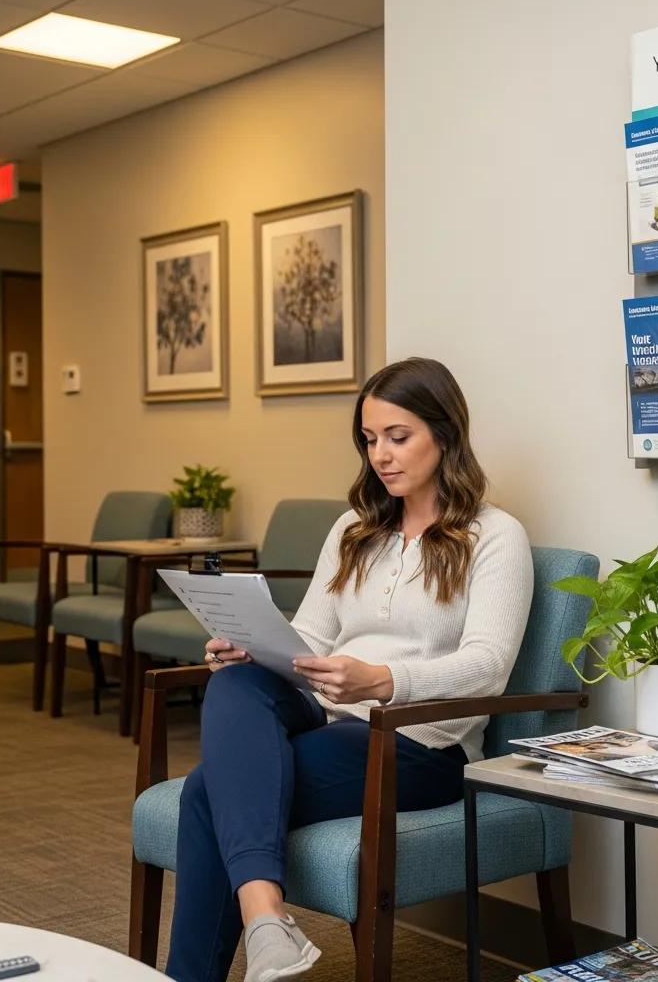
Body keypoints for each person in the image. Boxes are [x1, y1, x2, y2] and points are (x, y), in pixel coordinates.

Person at [165, 357, 534, 982]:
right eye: (370, 440)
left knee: (206, 793)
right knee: (235, 679)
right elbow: (310, 635)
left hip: (419, 741)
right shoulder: (354, 529)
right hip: (329, 712)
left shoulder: (494, 536)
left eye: (399, 436)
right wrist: (252, 644)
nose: (381, 456)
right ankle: (267, 922)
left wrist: (386, 682)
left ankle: (251, 929)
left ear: (444, 435)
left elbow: (489, 668)